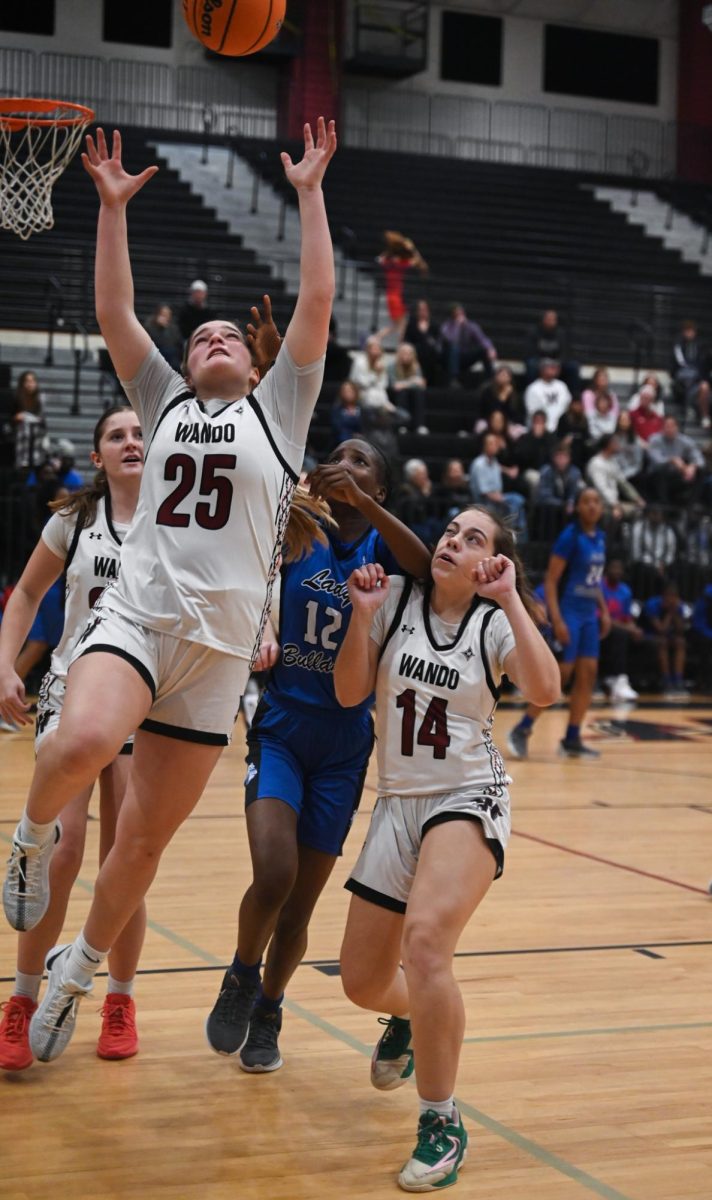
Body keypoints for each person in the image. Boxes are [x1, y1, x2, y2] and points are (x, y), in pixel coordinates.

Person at [1, 117, 338, 1064]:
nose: (217, 337)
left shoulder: (282, 411)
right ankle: (28, 838)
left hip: (221, 655)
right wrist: (111, 210)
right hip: (142, 617)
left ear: (257, 365)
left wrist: (310, 194)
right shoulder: (168, 404)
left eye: (231, 333)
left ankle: (78, 972)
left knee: (138, 849)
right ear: (186, 368)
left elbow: (317, 292)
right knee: (82, 737)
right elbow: (116, 315)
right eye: (201, 338)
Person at [333, 507, 560, 1192]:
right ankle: (407, 1016)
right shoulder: (394, 598)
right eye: (451, 532)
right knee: (362, 981)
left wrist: (511, 597)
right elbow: (349, 693)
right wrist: (362, 616)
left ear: (491, 562)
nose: (452, 542)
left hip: (468, 793)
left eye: (473, 539)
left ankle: (441, 1121)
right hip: (398, 802)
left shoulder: (493, 623)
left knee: (427, 945)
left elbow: (544, 690)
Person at [205, 439, 430, 1071]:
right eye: (340, 457)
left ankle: (270, 1008)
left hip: (345, 743)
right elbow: (252, 582)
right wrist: (265, 630)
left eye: (362, 463)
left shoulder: (382, 548)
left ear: (380, 490)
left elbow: (422, 559)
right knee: (273, 873)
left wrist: (363, 505)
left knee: (301, 903)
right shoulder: (298, 526)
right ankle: (241, 976)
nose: (346, 465)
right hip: (282, 726)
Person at [0, 405, 146, 1069]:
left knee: (127, 856)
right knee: (65, 850)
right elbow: (27, 594)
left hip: (144, 703)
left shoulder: (177, 520)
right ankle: (24, 999)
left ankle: (119, 998)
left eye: (141, 432)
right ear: (98, 456)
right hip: (69, 690)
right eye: (117, 434)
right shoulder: (76, 519)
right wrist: (5, 664)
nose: (131, 441)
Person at [508, 487, 610, 759]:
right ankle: (523, 727)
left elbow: (594, 579)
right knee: (562, 673)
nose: (592, 506)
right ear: (577, 507)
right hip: (569, 612)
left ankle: (573, 737)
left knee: (588, 674)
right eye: (586, 501)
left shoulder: (600, 537)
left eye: (596, 501)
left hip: (589, 614)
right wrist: (558, 620)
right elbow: (551, 581)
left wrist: (604, 610)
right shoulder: (570, 537)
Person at [599, 558, 641, 702]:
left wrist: (634, 628)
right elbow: (602, 617)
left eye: (619, 569)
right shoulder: (599, 587)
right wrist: (628, 628)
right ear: (606, 570)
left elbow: (626, 616)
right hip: (600, 627)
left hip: (618, 629)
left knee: (637, 637)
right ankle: (619, 678)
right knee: (620, 634)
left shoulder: (625, 590)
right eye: (613, 568)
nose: (616, 571)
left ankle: (617, 679)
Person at [640, 581, 689, 697]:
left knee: (680, 642)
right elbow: (661, 629)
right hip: (648, 634)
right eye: (669, 597)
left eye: (674, 597)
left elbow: (681, 629)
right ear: (663, 596)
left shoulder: (679, 606)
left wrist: (675, 613)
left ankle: (678, 680)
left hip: (667, 636)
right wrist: (670, 613)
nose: (671, 600)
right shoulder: (652, 604)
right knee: (662, 642)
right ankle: (666, 681)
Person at [377, 231, 428, 342]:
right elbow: (418, 261)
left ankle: (378, 338)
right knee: (402, 324)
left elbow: (380, 259)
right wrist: (411, 247)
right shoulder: (400, 264)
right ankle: (380, 339)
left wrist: (391, 249)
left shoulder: (388, 262)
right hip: (396, 297)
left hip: (391, 296)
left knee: (398, 324)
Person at [440, 304, 496, 386]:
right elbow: (451, 340)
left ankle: (490, 379)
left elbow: (482, 338)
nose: (460, 316)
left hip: (465, 357)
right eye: (457, 314)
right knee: (454, 348)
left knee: (483, 350)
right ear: (452, 315)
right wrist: (457, 326)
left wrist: (490, 348)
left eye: (461, 313)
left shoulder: (470, 325)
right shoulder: (446, 326)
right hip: (449, 358)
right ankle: (453, 379)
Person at [670, 319, 710, 428]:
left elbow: (704, 361)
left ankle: (703, 416)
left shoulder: (700, 345)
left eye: (691, 331)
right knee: (688, 377)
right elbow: (680, 361)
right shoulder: (678, 344)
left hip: (697, 376)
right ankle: (688, 407)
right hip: (682, 374)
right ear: (683, 332)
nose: (689, 334)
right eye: (687, 331)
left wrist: (699, 373)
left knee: (704, 386)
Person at [13, 370, 49, 473]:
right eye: (27, 381)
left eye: (33, 381)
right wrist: (17, 417)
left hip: (37, 438)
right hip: (22, 439)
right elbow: (12, 416)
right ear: (22, 383)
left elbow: (41, 418)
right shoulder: (17, 397)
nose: (30, 384)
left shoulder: (40, 398)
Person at [389, 342, 428, 434]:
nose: (406, 356)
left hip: (412, 393)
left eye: (409, 353)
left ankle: (420, 425)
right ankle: (403, 425)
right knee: (403, 392)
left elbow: (421, 384)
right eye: (404, 353)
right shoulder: (391, 366)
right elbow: (395, 386)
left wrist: (405, 383)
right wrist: (412, 381)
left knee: (419, 392)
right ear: (399, 354)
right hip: (395, 395)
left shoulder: (416, 366)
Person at [523, 359, 571, 433]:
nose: (554, 369)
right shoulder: (533, 388)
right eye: (551, 366)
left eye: (556, 367)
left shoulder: (562, 386)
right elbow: (533, 413)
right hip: (541, 431)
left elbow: (567, 406)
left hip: (561, 429)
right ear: (542, 369)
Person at [403, 299, 441, 386]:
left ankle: (429, 382)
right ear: (417, 311)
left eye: (425, 309)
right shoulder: (412, 324)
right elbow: (407, 339)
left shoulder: (434, 324)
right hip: (416, 350)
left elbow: (437, 340)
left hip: (430, 353)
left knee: (430, 352)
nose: (423, 312)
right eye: (421, 309)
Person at [144, 302, 183, 371]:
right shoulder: (150, 326)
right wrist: (161, 328)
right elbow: (155, 342)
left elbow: (177, 342)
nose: (166, 317)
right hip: (157, 354)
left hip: (172, 356)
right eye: (163, 314)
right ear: (158, 315)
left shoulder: (173, 327)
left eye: (168, 314)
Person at [177, 278, 218, 342]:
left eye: (201, 293)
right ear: (192, 294)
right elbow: (182, 330)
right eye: (196, 293)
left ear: (205, 294)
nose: (199, 295)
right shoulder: (184, 311)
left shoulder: (210, 312)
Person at [330, 379, 363, 447]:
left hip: (361, 443)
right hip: (342, 442)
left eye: (350, 391)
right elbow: (336, 428)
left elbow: (365, 427)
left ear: (355, 392)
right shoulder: (337, 410)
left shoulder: (362, 409)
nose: (347, 393)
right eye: (345, 391)